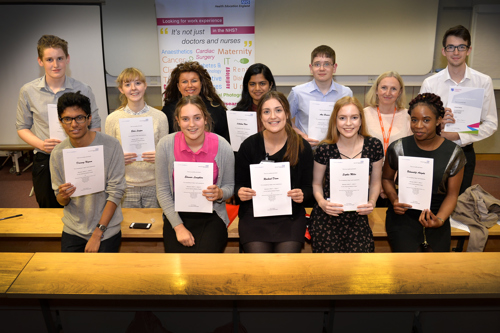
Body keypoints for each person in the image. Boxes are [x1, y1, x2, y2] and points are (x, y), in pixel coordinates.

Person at [16, 35, 101, 208]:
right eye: (49, 59)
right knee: (48, 208)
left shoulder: (83, 89)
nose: (55, 65)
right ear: (40, 61)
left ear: (67, 59)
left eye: (60, 58)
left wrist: (82, 145)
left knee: (83, 208)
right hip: (45, 158)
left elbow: (96, 126)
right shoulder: (28, 91)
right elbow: (22, 127)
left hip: (79, 157)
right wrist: (41, 144)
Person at [382, 93, 466, 252]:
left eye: (426, 120)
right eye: (414, 120)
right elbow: (386, 179)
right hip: (403, 215)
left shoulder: (453, 153)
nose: (418, 125)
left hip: (437, 214)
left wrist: (440, 220)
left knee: (435, 268)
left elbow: (452, 195)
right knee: (407, 265)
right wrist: (394, 200)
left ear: (439, 120)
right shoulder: (398, 147)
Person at [420, 25, 497, 194]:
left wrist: (459, 136)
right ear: (444, 51)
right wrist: (438, 124)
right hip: (434, 149)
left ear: (468, 50)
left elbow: (491, 123)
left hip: (464, 152)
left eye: (461, 47)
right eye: (451, 47)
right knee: (431, 199)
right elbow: (419, 122)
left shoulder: (483, 82)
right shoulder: (430, 83)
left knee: (460, 202)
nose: (456, 52)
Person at [235, 91, 313, 253]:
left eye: (278, 110)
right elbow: (238, 185)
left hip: (290, 217)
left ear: (286, 113)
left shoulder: (302, 146)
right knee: (260, 265)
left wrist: (302, 194)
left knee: (285, 267)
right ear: (260, 116)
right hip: (254, 217)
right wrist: (240, 192)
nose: (273, 116)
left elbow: (309, 187)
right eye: (266, 111)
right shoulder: (248, 146)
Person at [156, 95, 234, 253]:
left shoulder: (223, 146)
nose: (191, 124)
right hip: (176, 216)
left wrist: (219, 193)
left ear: (205, 119)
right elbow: (163, 191)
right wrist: (179, 228)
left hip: (212, 215)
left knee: (205, 264)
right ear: (177, 121)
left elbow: (230, 187)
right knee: (177, 268)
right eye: (185, 119)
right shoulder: (165, 145)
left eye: (197, 118)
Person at [50, 92, 126, 252]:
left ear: (89, 118)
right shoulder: (58, 153)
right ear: (60, 121)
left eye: (79, 118)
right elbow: (60, 200)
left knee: (102, 276)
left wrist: (98, 233)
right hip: (74, 228)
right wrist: (63, 196)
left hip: (106, 229)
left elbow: (116, 192)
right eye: (67, 119)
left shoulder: (111, 146)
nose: (73, 124)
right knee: (69, 275)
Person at [310, 96, 383, 253]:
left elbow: (376, 182)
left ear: (361, 120)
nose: (348, 123)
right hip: (328, 215)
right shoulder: (324, 149)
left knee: (360, 269)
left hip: (358, 216)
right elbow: (316, 183)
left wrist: (372, 202)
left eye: (354, 117)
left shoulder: (374, 145)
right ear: (335, 121)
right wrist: (322, 203)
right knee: (331, 269)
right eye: (342, 118)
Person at [105, 68, 169, 208]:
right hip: (125, 187)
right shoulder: (112, 119)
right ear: (121, 89)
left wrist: (160, 156)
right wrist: (118, 159)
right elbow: (108, 157)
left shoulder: (160, 117)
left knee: (156, 228)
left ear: (145, 86)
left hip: (155, 185)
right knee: (128, 228)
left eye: (138, 83)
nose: (133, 88)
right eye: (127, 84)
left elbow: (167, 155)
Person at [288, 45, 353, 147]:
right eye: (317, 64)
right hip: (307, 150)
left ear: (334, 68)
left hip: (338, 150)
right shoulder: (297, 92)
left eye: (327, 64)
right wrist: (301, 136)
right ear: (311, 68)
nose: (321, 69)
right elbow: (284, 120)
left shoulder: (346, 93)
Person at [364, 71, 412, 206]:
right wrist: (374, 182)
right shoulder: (363, 114)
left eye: (394, 89)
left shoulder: (408, 116)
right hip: (366, 180)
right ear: (377, 90)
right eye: (384, 87)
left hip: (398, 180)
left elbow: (409, 153)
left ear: (400, 92)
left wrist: (389, 182)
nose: (388, 92)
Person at [162, 61, 230, 142]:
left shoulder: (217, 109)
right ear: (178, 86)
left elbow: (225, 140)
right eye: (184, 82)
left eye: (194, 81)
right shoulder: (167, 111)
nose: (190, 85)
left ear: (201, 83)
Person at [233, 63, 277, 132]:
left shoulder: (279, 112)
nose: (257, 88)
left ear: (270, 85)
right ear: (247, 86)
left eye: (262, 83)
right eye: (252, 84)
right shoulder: (237, 114)